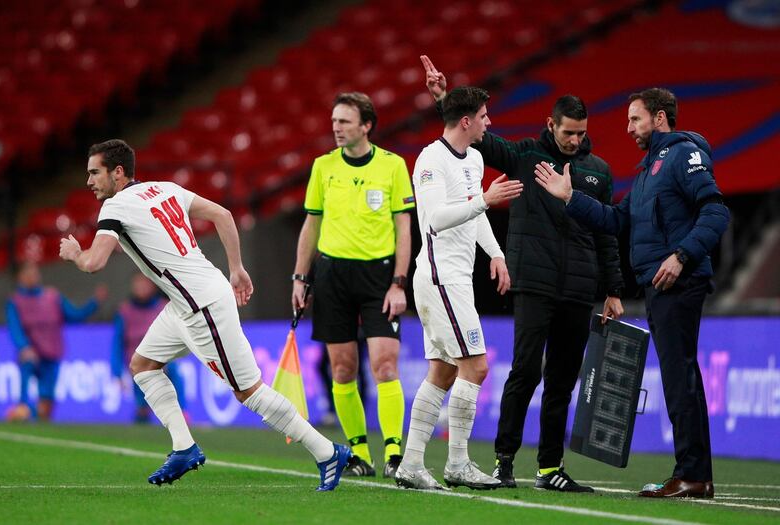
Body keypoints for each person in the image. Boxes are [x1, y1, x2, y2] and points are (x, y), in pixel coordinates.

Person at [59, 139, 350, 491]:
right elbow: (223, 215)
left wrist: (75, 254)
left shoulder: (115, 208)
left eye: (95, 172)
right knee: (142, 365)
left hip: (202, 306)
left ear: (118, 172)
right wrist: (237, 268)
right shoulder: (164, 189)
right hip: (188, 301)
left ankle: (326, 452)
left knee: (249, 393)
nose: (89, 181)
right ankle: (184, 446)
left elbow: (94, 263)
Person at [421, 55, 624, 492]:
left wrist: (612, 289)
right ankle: (504, 460)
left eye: (581, 133)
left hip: (578, 288)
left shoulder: (598, 172)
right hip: (533, 284)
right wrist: (445, 101)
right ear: (550, 124)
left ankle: (551, 467)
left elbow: (608, 233)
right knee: (525, 373)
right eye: (568, 131)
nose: (574, 140)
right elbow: (475, 137)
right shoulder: (526, 156)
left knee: (563, 381)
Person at [534, 87, 729, 499]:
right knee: (682, 379)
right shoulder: (648, 171)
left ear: (660, 118)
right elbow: (616, 219)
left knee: (681, 379)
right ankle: (696, 474)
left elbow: (716, 211)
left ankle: (692, 473)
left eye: (635, 119)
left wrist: (681, 256)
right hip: (658, 286)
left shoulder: (682, 155)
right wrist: (571, 198)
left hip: (678, 282)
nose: (628, 128)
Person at [395, 86, 523, 490]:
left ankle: (412, 464)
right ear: (466, 121)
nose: (489, 123)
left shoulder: (476, 158)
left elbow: (472, 210)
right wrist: (484, 200)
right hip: (439, 277)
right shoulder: (431, 159)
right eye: (484, 116)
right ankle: (457, 463)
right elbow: (433, 219)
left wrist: (496, 253)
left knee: (444, 370)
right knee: (477, 366)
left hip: (457, 276)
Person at [292, 92, 415, 478]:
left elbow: (403, 228)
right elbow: (311, 225)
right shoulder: (322, 167)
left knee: (384, 364)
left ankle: (395, 452)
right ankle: (359, 453)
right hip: (332, 277)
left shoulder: (393, 166)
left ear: (366, 126)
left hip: (380, 278)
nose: (336, 128)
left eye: (344, 122)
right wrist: (300, 277)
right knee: (342, 368)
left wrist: (399, 282)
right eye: (334, 122)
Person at [5, 260, 106, 421]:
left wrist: (94, 303)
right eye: (27, 272)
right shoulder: (15, 301)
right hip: (30, 354)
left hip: (51, 353)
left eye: (34, 271)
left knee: (47, 401)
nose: (32, 275)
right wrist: (24, 347)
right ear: (19, 277)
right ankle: (22, 408)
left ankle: (35, 416)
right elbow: (15, 328)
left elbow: (74, 315)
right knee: (26, 379)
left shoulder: (52, 297)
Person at [112, 273, 187, 423]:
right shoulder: (125, 311)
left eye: (144, 284)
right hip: (137, 364)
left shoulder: (165, 307)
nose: (140, 288)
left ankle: (183, 418)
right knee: (142, 405)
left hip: (164, 362)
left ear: (153, 285)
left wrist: (164, 360)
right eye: (137, 284)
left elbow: (180, 337)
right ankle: (141, 422)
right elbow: (117, 344)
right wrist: (117, 373)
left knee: (175, 379)